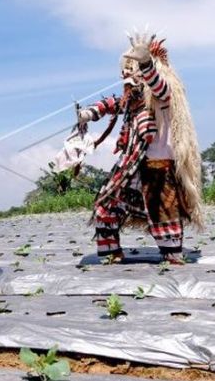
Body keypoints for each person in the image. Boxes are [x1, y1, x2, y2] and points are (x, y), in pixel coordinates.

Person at [77, 30, 204, 264]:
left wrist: (145, 62)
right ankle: (110, 256)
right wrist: (87, 114)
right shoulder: (133, 102)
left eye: (130, 68)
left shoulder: (163, 97)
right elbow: (111, 104)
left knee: (164, 220)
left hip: (159, 171)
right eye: (125, 70)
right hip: (132, 169)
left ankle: (172, 257)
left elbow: (158, 86)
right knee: (106, 208)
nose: (125, 74)